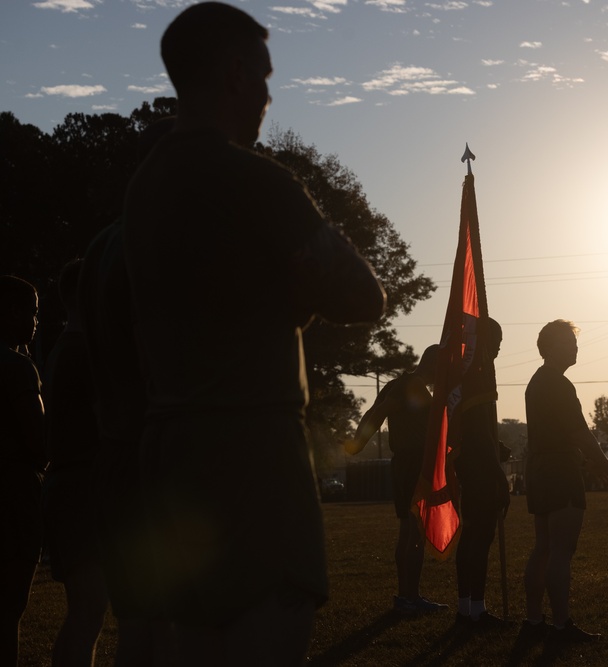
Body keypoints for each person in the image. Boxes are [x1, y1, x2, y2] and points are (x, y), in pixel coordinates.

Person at [123, 3, 386, 664]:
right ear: (235, 75)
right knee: (273, 622)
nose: (270, 95)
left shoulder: (143, 191)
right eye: (265, 77)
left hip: (174, 461)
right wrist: (298, 291)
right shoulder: (258, 183)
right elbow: (365, 294)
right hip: (257, 460)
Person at [78, 117, 178, 665]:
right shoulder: (157, 243)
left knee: (136, 624)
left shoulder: (101, 245)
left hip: (115, 454)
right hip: (158, 459)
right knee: (170, 628)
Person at [522, 320, 608, 643]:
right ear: (549, 347)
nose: (574, 346)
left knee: (544, 547)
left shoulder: (536, 383)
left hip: (539, 470)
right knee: (561, 550)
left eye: (574, 341)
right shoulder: (559, 385)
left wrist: (587, 465)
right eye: (567, 341)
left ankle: (534, 621)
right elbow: (581, 434)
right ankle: (562, 626)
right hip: (559, 473)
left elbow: (555, 435)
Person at [40, 260, 109, 666]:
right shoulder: (82, 351)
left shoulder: (62, 350)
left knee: (85, 611)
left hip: (69, 486)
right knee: (88, 610)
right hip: (82, 488)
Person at [344, 345, 447, 615]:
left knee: (407, 531)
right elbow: (379, 413)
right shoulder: (411, 385)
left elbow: (373, 412)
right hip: (413, 464)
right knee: (415, 533)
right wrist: (358, 444)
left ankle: (406, 596)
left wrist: (358, 440)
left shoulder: (397, 383)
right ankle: (410, 597)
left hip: (402, 464)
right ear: (434, 365)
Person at [454, 318, 510, 628]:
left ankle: (467, 608)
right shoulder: (479, 376)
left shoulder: (468, 376)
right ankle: (475, 609)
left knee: (472, 536)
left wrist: (495, 444)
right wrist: (498, 473)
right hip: (480, 470)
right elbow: (477, 432)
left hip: (473, 464)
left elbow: (479, 430)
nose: (499, 351)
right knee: (480, 536)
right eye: (497, 344)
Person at [0, 275, 45, 667]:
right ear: (12, 312)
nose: (35, 323)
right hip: (13, 496)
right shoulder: (18, 368)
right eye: (32, 313)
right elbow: (40, 441)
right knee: (9, 609)